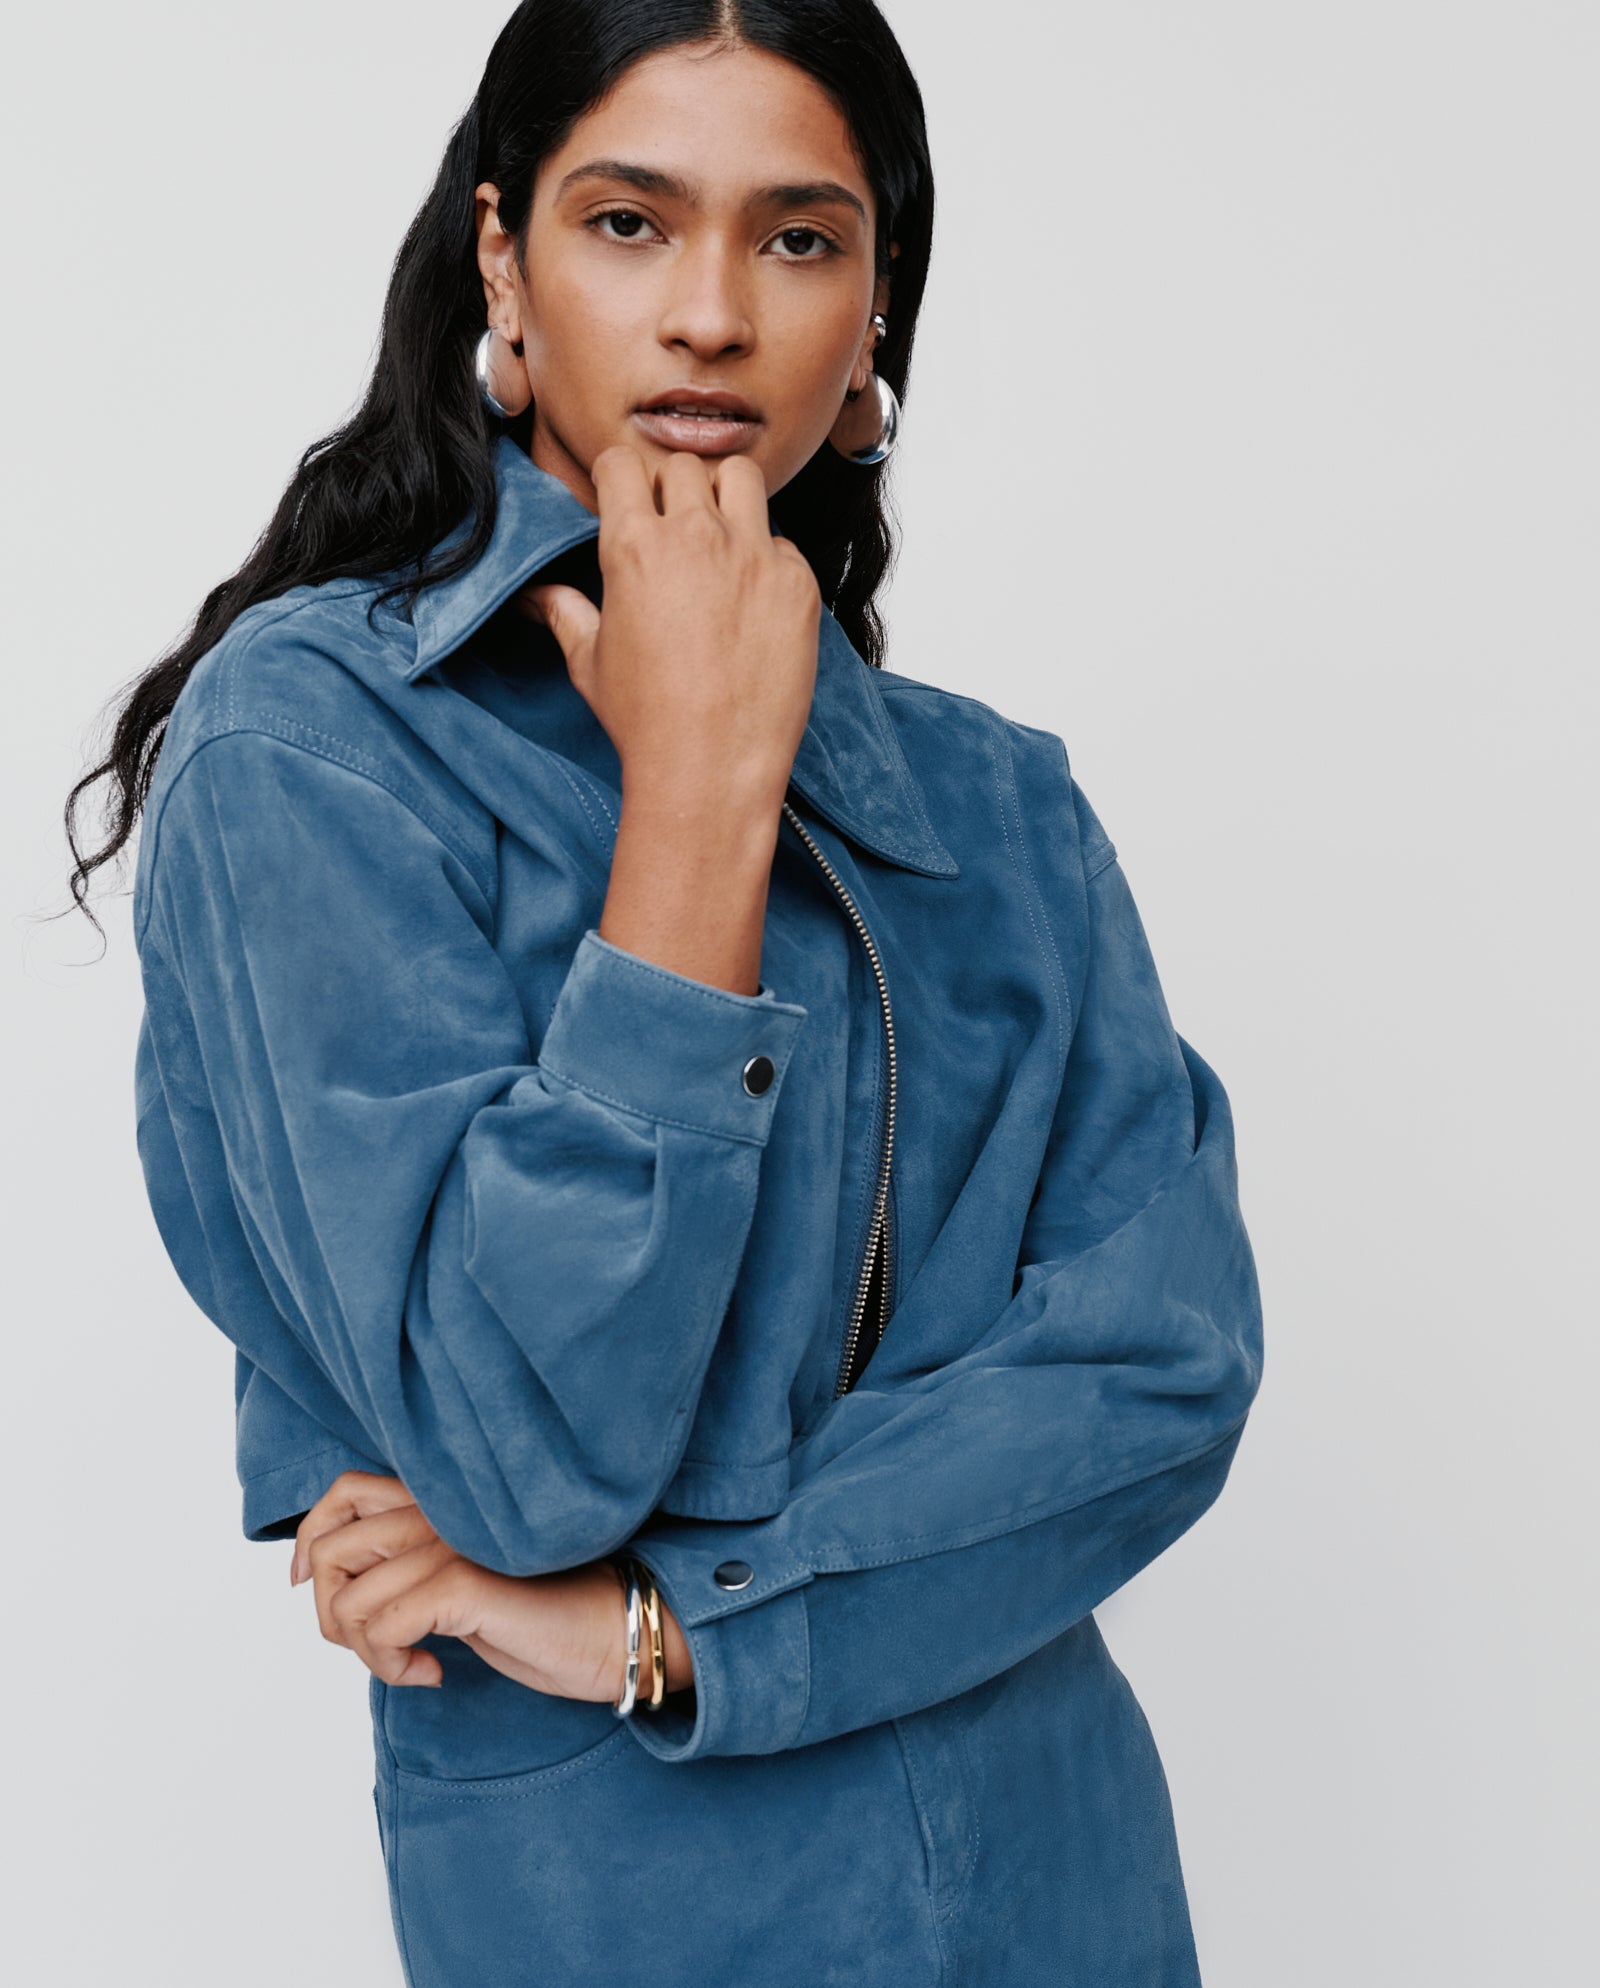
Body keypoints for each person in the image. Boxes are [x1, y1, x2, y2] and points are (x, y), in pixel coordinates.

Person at [68, 3, 1265, 1982]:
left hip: (1063, 1889)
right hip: (640, 1917)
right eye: (629, 223)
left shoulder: (997, 806)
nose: (709, 311)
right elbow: (528, 1454)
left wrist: (666, 1620)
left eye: (797, 239)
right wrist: (694, 807)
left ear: (871, 321)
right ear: (501, 267)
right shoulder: (318, 746)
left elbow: (1156, 1377)